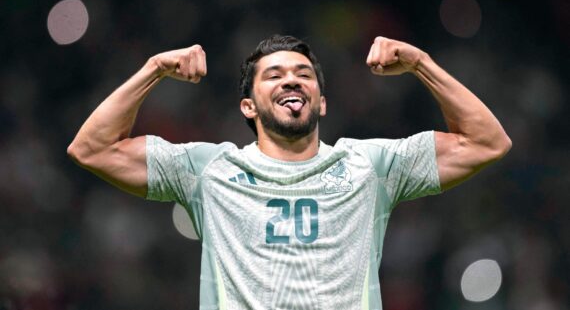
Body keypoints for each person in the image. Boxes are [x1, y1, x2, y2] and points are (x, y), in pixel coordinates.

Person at [67, 34, 511, 309]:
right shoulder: (209, 169)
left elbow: (486, 141)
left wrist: (421, 63)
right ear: (248, 106)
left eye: (303, 74)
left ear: (321, 101)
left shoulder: (369, 166)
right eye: (273, 75)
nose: (291, 80)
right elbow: (93, 149)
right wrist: (154, 69)